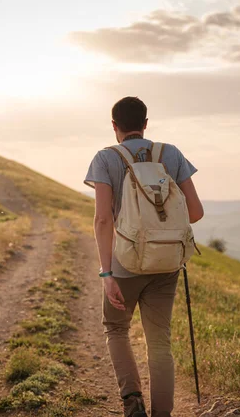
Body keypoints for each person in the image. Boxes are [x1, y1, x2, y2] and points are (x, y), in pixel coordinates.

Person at [83, 96, 204, 417]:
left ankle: (133, 400)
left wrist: (106, 274)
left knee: (116, 328)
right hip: (166, 263)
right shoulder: (171, 154)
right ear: (146, 124)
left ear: (114, 126)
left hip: (124, 265)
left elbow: (103, 220)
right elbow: (195, 212)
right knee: (160, 343)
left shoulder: (105, 159)